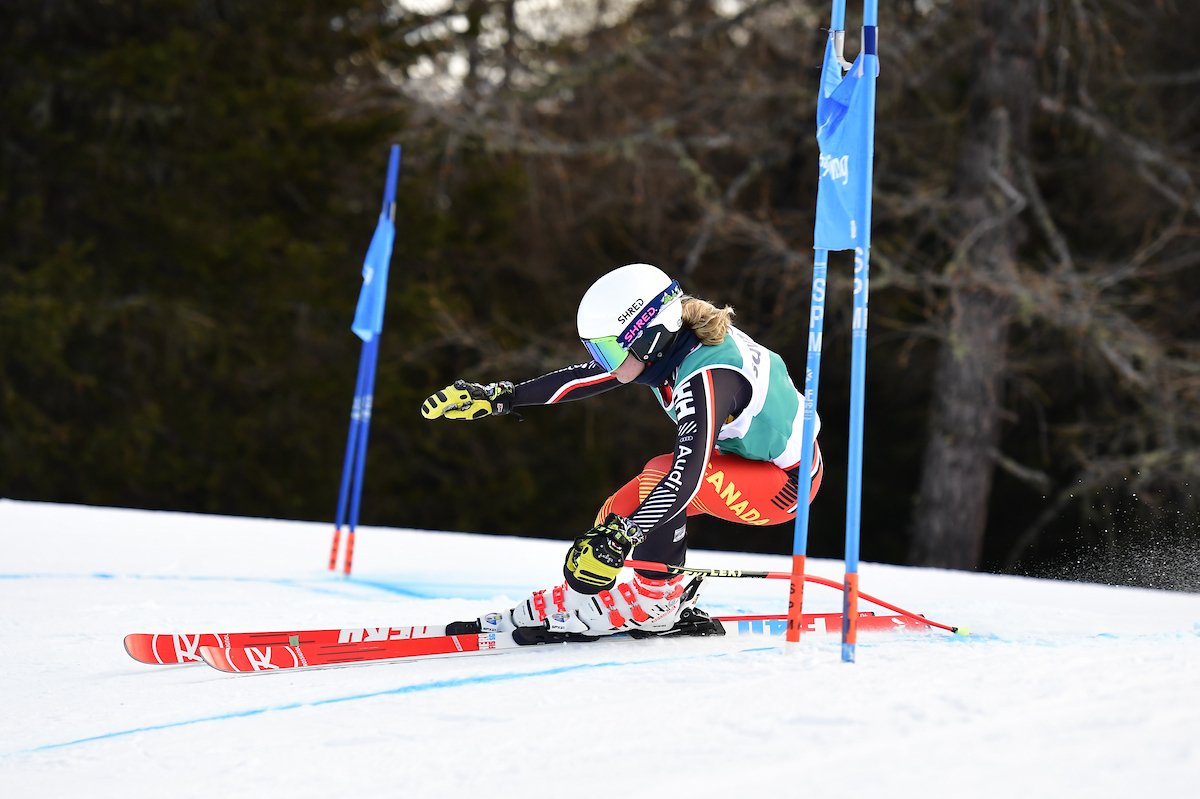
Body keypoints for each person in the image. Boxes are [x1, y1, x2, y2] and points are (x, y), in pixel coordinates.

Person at [421, 263, 822, 640]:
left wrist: (625, 535)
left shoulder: (708, 377)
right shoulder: (666, 347)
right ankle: (582, 600)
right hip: (743, 464)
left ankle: (657, 603)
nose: (604, 364)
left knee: (657, 478)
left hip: (786, 484)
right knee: (618, 508)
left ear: (651, 336)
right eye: (597, 351)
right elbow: (588, 378)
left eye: (608, 352)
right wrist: (502, 397)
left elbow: (688, 472)